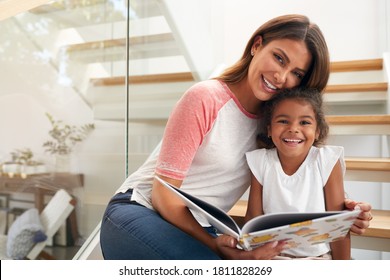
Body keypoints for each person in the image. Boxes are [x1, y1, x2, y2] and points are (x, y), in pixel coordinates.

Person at [100, 14, 372, 260]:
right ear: (256, 46)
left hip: (199, 225)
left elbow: (304, 177)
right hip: (141, 210)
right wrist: (213, 244)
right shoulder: (205, 97)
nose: (281, 76)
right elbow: (163, 195)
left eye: (296, 73)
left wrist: (344, 212)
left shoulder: (277, 125)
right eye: (279, 58)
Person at [246, 87, 351, 260]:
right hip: (273, 256)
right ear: (269, 129)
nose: (294, 129)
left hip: (318, 258)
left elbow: (339, 225)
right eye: (283, 121)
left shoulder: (326, 160)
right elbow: (253, 217)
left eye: (304, 122)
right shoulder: (261, 161)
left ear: (317, 131)